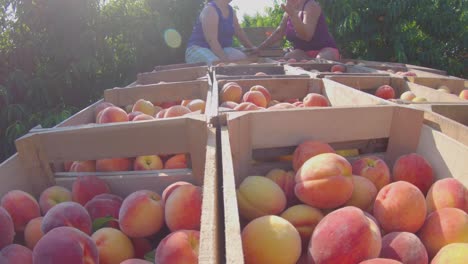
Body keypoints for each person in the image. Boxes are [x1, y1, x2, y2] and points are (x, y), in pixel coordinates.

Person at [256, 0, 339, 61]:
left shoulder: (311, 5)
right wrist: (259, 48)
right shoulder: (288, 12)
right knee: (288, 59)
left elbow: (307, 36)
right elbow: (279, 33)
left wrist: (293, 15)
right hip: (303, 52)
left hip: (325, 50)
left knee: (321, 61)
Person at [185, 0, 256, 65]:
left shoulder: (230, 11)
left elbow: (239, 32)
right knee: (217, 64)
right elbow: (212, 41)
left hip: (221, 49)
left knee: (242, 58)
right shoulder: (210, 10)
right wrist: (227, 63)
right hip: (198, 49)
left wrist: (252, 49)